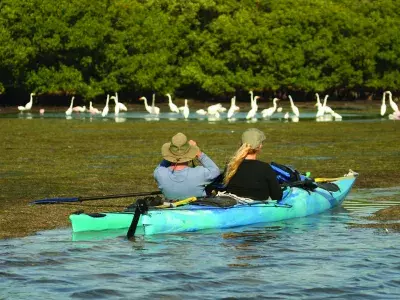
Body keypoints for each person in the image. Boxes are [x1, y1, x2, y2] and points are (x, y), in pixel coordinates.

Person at [154, 132, 221, 200]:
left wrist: (173, 154)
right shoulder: (200, 173)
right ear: (189, 154)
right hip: (198, 207)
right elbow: (215, 170)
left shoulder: (159, 173)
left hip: (172, 206)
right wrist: (198, 153)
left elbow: (163, 163)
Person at [223, 128, 282, 200]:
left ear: (241, 144)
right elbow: (277, 196)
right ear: (260, 146)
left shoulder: (231, 165)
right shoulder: (265, 168)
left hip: (235, 206)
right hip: (257, 208)